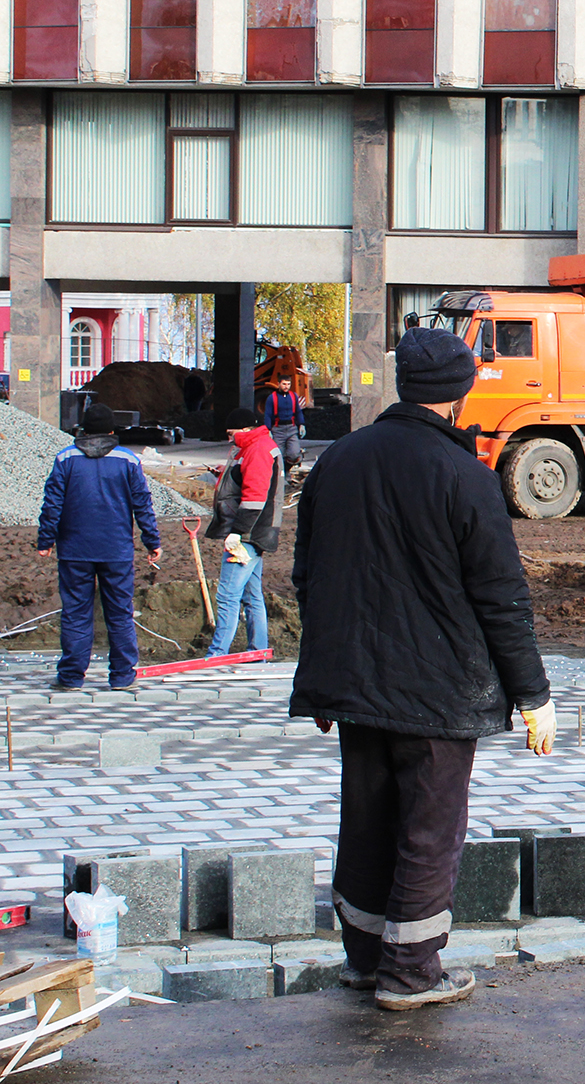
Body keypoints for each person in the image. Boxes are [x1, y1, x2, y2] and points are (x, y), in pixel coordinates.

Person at [289, 326, 556, 1012]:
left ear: (405, 385)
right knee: (428, 828)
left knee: (368, 820)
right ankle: (409, 972)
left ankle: (365, 959)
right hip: (437, 692)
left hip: (355, 686)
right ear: (462, 392)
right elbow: (501, 594)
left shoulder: (339, 460)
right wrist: (534, 694)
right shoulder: (464, 475)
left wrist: (319, 679)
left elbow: (309, 578)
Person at [36, 404, 162, 690]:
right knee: (119, 612)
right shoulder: (127, 460)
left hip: (74, 551)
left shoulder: (65, 458)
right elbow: (142, 504)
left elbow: (52, 503)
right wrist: (151, 541)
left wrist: (45, 541)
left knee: (76, 613)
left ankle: (70, 677)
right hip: (116, 550)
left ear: (83, 429)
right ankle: (122, 675)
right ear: (111, 430)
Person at [200, 408, 281, 659]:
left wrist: (237, 533)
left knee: (227, 594)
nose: (228, 437)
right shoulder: (252, 447)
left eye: (230, 432)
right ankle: (258, 651)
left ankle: (218, 654)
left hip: (248, 535)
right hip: (257, 533)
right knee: (251, 594)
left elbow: (255, 498)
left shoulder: (256, 450)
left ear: (245, 429)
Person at [261, 376, 305, 480]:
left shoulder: (293, 396)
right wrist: (268, 429)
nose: (286, 386)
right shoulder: (272, 398)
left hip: (291, 428)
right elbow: (267, 414)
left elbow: (298, 411)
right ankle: (280, 476)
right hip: (278, 429)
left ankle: (287, 470)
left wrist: (301, 424)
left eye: (288, 384)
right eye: (284, 384)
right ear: (279, 384)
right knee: (278, 455)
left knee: (294, 454)